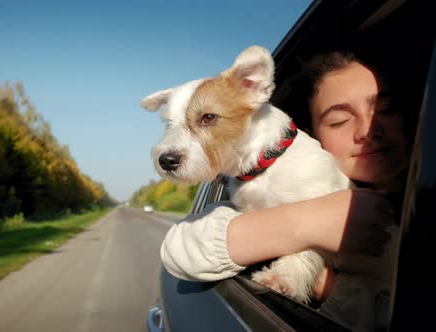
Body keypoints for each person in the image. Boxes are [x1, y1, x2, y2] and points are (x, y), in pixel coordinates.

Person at [160, 50, 413, 331]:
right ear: (312, 136)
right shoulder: (261, 183)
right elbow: (180, 247)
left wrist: (329, 286)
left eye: (384, 110)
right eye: (339, 120)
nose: (367, 130)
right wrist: (307, 222)